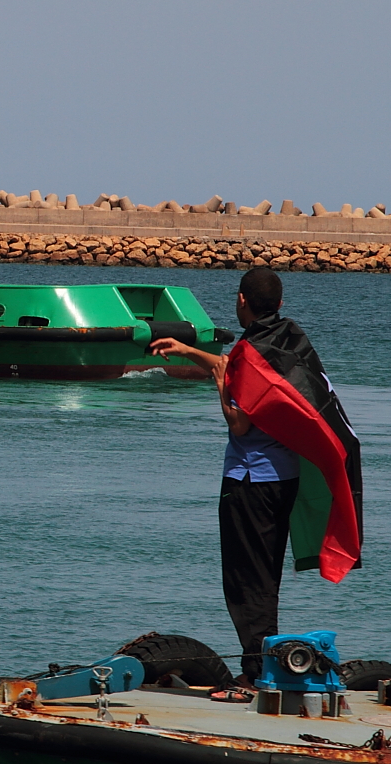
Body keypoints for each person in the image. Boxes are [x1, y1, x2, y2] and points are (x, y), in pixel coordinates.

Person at [148, 268, 299, 691]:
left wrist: (219, 388)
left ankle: (255, 672)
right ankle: (262, 662)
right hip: (283, 477)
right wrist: (187, 350)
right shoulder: (284, 339)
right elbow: (235, 366)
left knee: (245, 578)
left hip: (250, 479)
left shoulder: (253, 350)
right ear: (280, 305)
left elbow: (240, 423)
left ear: (241, 300)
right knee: (266, 574)